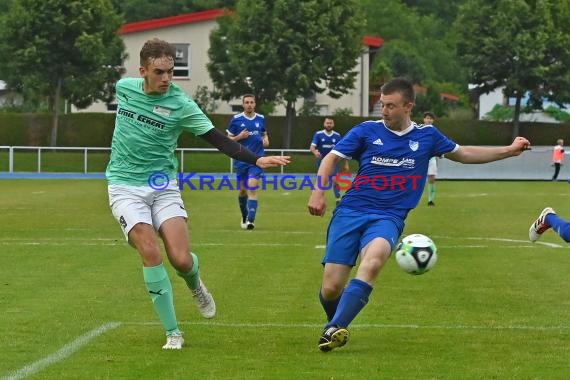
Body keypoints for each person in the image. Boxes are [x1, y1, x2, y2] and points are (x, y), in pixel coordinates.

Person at [307, 77, 531, 352]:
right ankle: (335, 321)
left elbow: (465, 153)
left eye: (390, 106)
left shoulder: (427, 136)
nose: (384, 111)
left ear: (408, 106)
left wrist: (508, 151)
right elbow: (331, 158)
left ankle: (333, 330)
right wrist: (318, 192)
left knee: (374, 261)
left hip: (388, 217)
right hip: (350, 211)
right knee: (331, 288)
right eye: (382, 105)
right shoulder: (366, 131)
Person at [106, 38, 289, 350]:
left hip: (163, 186)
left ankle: (195, 284)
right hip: (124, 187)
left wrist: (255, 159)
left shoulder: (182, 105)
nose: (166, 78)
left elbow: (219, 140)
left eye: (171, 72)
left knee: (180, 260)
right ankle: (173, 333)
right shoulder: (125, 88)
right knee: (150, 252)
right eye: (159, 72)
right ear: (143, 71)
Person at [227, 94, 269, 230]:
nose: (249, 104)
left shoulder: (261, 118)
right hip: (241, 160)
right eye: (247, 102)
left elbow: (264, 133)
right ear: (243, 104)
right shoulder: (236, 120)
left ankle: (251, 220)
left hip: (257, 159)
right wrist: (240, 136)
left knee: (252, 185)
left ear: (255, 104)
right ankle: (244, 216)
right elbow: (228, 140)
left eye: (251, 102)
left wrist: (266, 140)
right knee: (243, 191)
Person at [310, 117, 350, 205]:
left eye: (330, 123)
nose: (329, 125)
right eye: (327, 123)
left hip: (333, 162)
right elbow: (312, 147)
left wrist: (346, 164)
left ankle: (337, 198)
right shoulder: (318, 134)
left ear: (333, 124)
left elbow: (343, 150)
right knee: (321, 182)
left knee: (334, 180)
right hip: (321, 162)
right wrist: (315, 152)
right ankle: (319, 199)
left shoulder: (337, 136)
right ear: (324, 124)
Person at [423, 111, 438, 206]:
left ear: (433, 120)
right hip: (422, 159)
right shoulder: (420, 130)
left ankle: (430, 200)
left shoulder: (435, 132)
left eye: (430, 118)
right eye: (427, 118)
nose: (428, 120)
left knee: (431, 179)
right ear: (424, 119)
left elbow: (438, 144)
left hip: (432, 159)